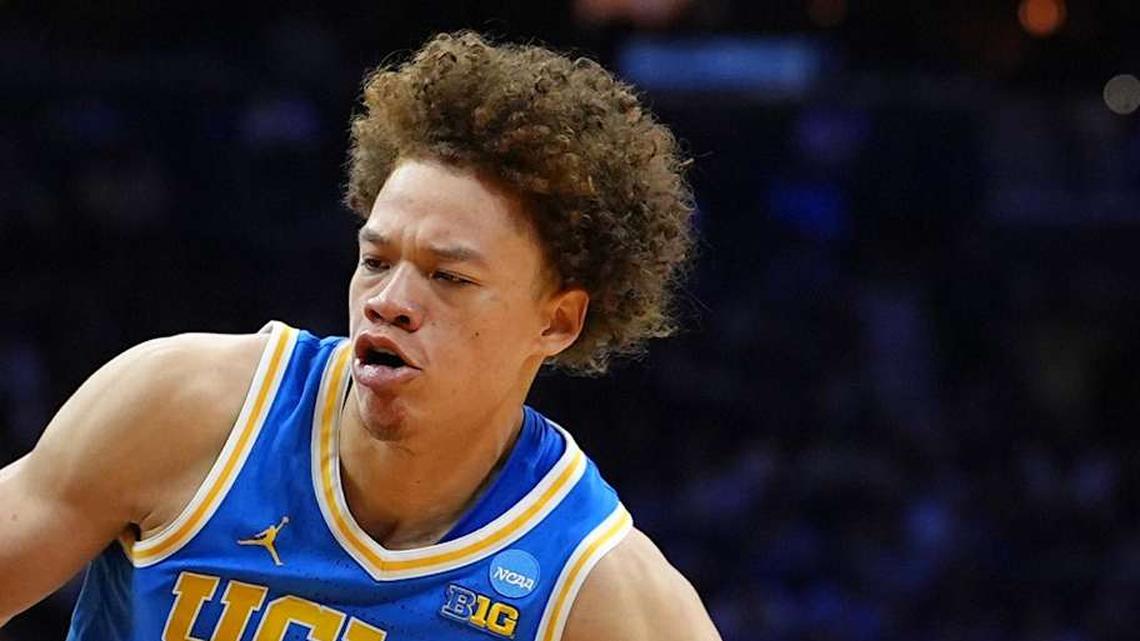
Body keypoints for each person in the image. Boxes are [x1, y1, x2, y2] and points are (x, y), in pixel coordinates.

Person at [0, 31, 721, 641]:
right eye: (376, 260)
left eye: (449, 277)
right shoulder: (187, 412)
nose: (391, 301)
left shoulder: (600, 591)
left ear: (557, 320)